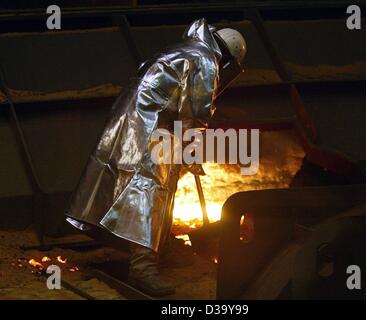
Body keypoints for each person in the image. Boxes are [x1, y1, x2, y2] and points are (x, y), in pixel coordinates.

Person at [66, 18, 247, 296]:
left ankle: (162, 245)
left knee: (152, 186)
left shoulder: (185, 48)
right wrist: (192, 152)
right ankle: (143, 268)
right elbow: (195, 114)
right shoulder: (206, 60)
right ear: (229, 57)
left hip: (132, 118)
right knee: (149, 191)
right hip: (151, 125)